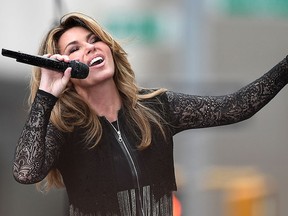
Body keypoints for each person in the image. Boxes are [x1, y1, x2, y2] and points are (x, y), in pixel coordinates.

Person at [13, 12, 288, 216]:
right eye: (74, 49)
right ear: (66, 72)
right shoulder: (65, 129)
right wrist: (46, 95)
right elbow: (26, 172)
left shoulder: (157, 107)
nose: (90, 48)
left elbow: (237, 107)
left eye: (95, 40)